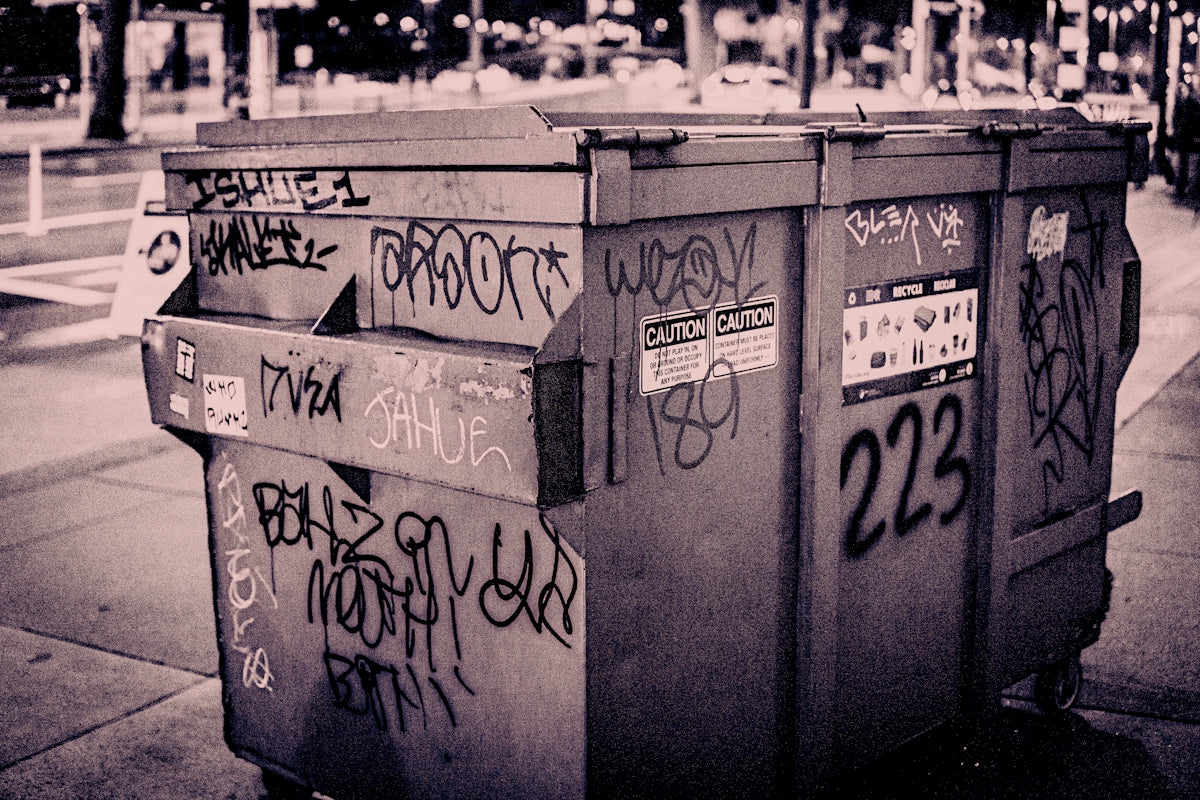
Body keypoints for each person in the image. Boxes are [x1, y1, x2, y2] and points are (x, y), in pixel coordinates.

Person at [1172, 80, 1200, 199]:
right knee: (1182, 164)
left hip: (1187, 138)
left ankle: (1183, 188)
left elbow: (1194, 120)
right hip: (1183, 138)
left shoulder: (1191, 102)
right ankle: (1181, 188)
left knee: (1186, 165)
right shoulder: (1182, 102)